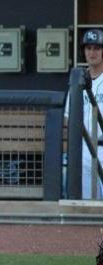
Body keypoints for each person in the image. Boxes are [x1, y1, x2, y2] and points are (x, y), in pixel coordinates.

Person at [64, 28, 103, 199]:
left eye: (97, 48)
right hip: (83, 149)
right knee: (86, 205)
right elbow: (67, 119)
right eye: (88, 48)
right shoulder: (77, 80)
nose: (92, 52)